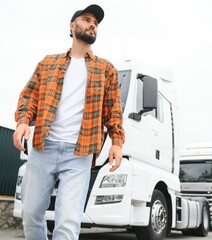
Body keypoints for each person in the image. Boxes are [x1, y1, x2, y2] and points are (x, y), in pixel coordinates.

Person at [13, 4, 125, 240]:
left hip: (79, 154)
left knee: (67, 223)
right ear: (72, 26)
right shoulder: (48, 63)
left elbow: (113, 111)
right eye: (86, 19)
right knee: (31, 215)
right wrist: (23, 121)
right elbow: (29, 96)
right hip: (43, 149)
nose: (92, 24)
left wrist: (116, 142)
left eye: (95, 23)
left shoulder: (106, 69)